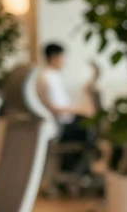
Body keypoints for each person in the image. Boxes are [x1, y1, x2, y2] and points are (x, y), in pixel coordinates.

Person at [37, 42, 93, 173]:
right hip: (61, 127)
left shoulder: (50, 75)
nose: (65, 62)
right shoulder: (47, 78)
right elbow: (55, 108)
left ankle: (74, 172)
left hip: (63, 123)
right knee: (92, 129)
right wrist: (81, 109)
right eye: (63, 58)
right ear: (54, 57)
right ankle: (76, 173)